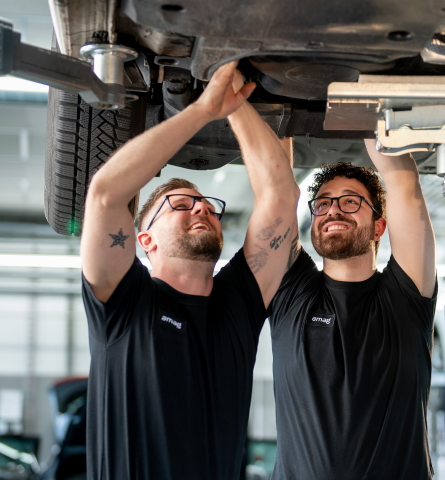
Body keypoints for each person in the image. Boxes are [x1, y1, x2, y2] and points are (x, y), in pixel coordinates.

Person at [79, 61, 301, 480]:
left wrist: (234, 102)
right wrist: (202, 110)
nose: (201, 207)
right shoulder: (123, 303)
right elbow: (106, 194)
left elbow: (280, 195)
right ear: (145, 240)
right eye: (180, 205)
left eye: (207, 205)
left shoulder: (238, 303)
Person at [265, 141, 437, 479]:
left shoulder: (405, 296)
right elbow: (276, 188)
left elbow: (403, 182)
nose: (333, 210)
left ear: (379, 226)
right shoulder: (292, 293)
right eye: (323, 203)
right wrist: (282, 117)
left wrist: (371, 114)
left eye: (350, 201)